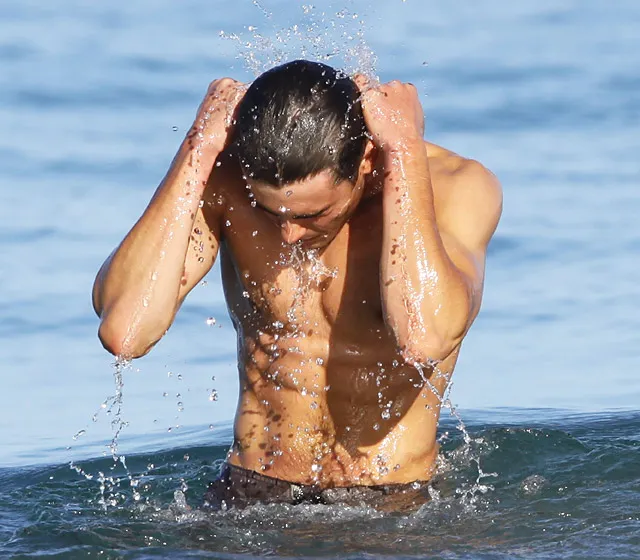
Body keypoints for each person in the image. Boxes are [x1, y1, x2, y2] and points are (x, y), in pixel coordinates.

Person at [92, 59, 502, 512]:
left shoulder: (454, 187)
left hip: (389, 504)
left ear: (366, 159)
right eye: (271, 214)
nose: (288, 235)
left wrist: (403, 148)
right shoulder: (229, 184)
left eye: (311, 215)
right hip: (250, 495)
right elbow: (126, 332)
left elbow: (424, 338)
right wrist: (199, 147)